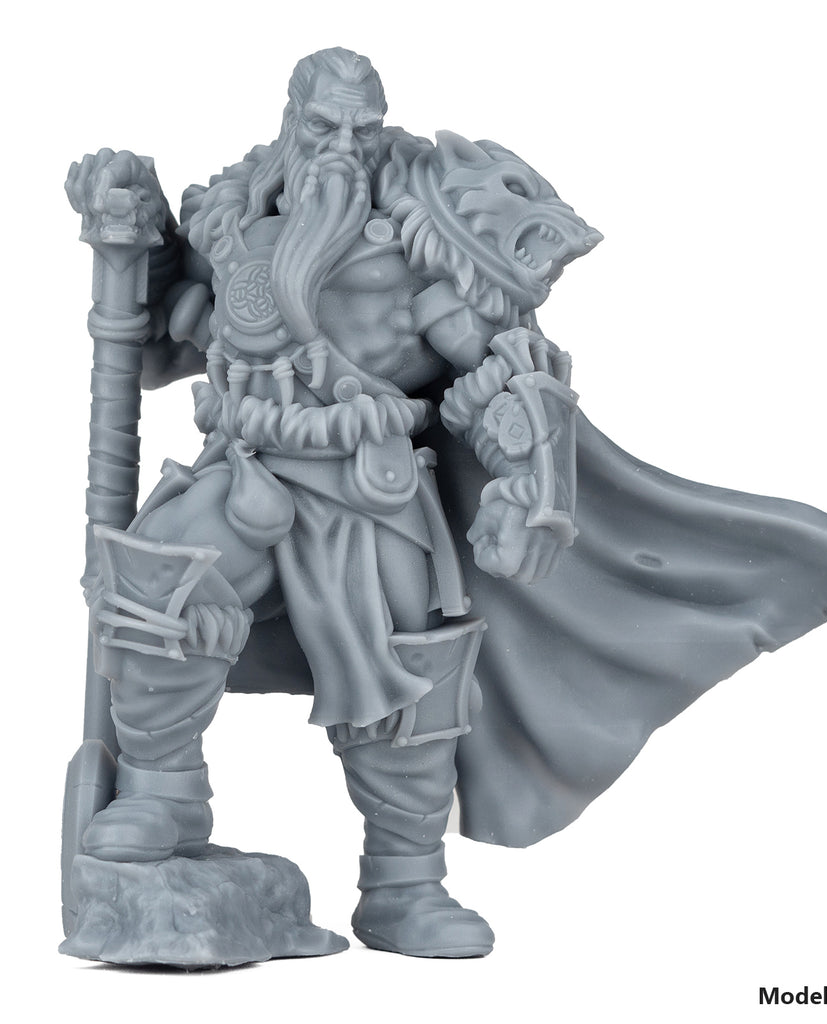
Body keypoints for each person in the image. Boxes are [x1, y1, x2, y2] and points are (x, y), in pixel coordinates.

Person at [65, 46, 599, 958]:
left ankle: (404, 882)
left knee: (409, 672)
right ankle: (162, 795)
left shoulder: (418, 241)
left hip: (369, 486)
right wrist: (132, 239)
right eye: (324, 125)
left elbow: (497, 371)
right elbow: (158, 350)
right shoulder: (238, 220)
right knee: (158, 578)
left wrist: (531, 480)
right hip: (248, 467)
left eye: (363, 126)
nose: (344, 146)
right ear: (292, 121)